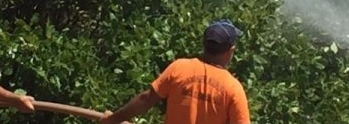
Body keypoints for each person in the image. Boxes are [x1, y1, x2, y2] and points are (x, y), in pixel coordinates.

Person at [98, 20, 251, 124]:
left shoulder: (179, 68)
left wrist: (112, 120)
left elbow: (145, 100)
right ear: (230, 51)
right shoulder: (233, 88)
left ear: (204, 44)